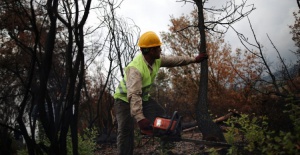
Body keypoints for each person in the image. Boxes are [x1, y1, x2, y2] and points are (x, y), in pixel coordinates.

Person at [113, 31, 208, 154]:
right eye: (159, 47)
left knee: (161, 116)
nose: (161, 50)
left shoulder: (156, 60)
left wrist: (194, 59)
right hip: (123, 100)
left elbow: (174, 60)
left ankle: (166, 146)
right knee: (126, 130)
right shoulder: (135, 69)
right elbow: (134, 95)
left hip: (142, 98)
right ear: (151, 50)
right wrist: (140, 118)